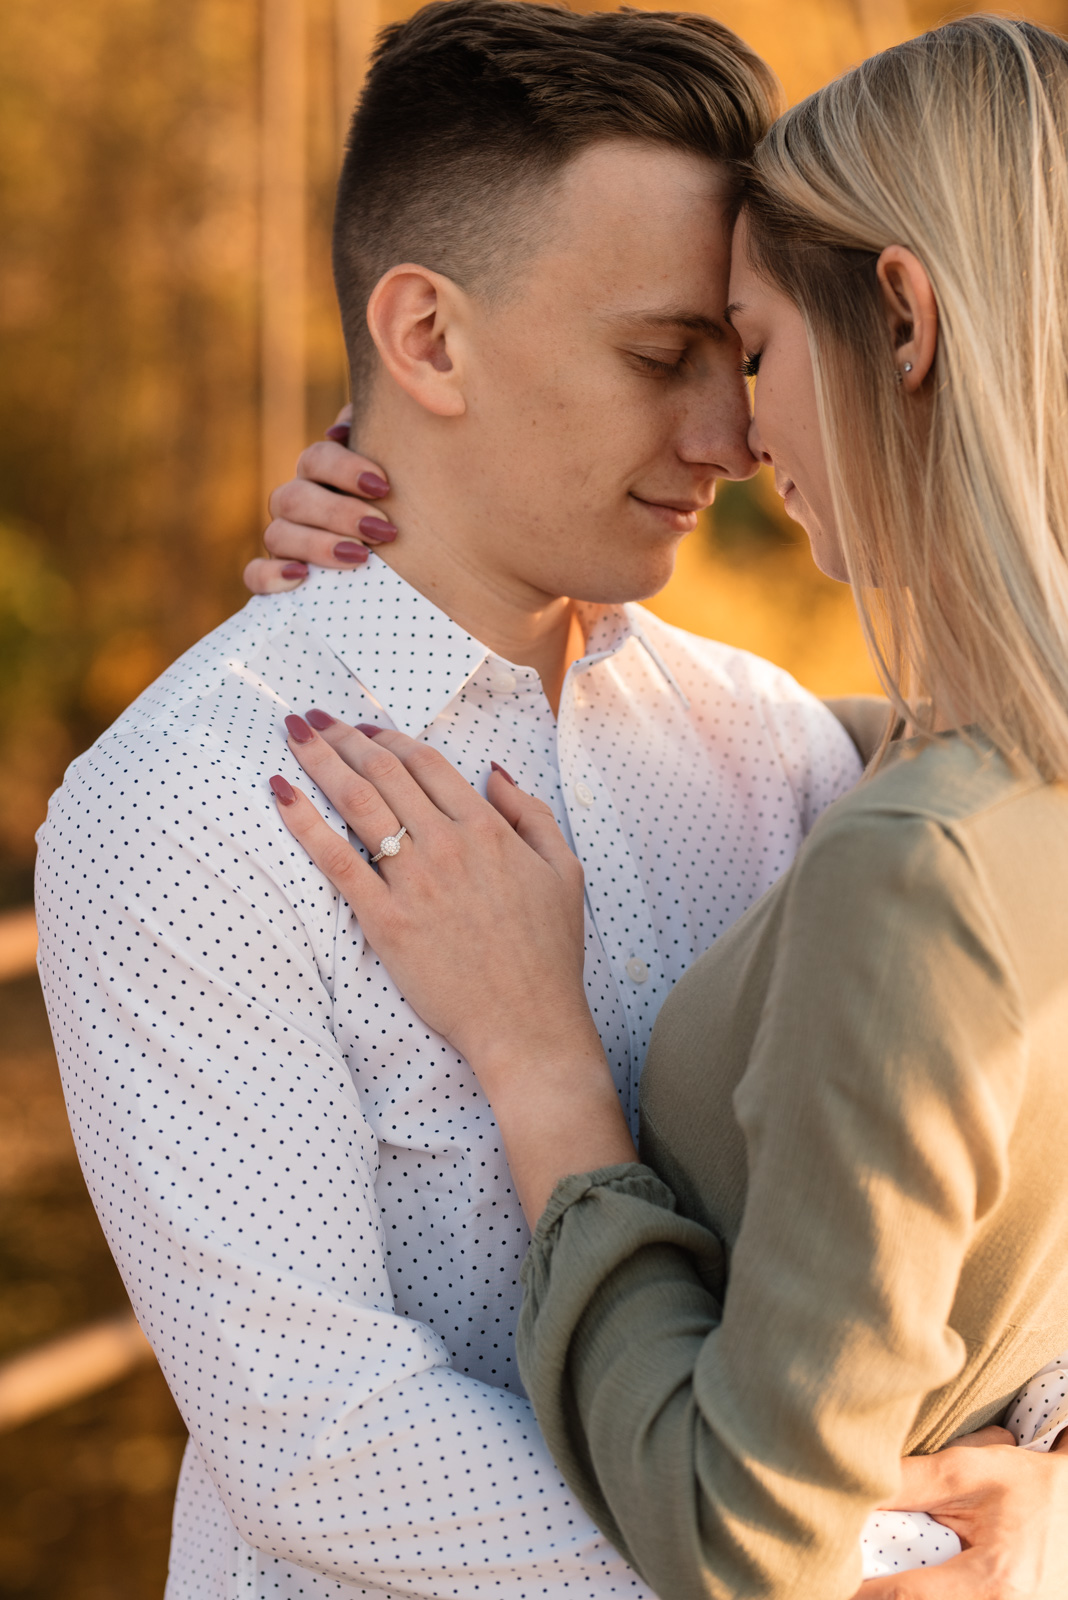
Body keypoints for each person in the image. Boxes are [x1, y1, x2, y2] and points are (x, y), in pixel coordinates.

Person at [34, 2, 1063, 1596]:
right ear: (427, 339)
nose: (729, 436)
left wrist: (1051, 1486)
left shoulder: (786, 746)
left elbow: (1000, 1211)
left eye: (741, 353)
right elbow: (320, 1438)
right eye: (662, 356)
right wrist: (881, 1557)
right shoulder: (185, 807)